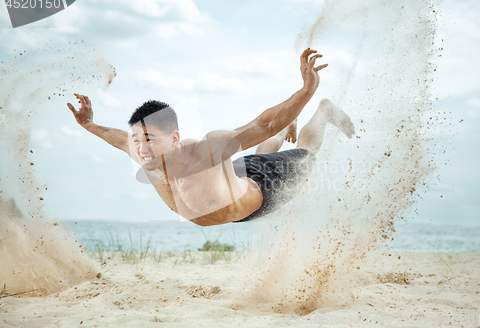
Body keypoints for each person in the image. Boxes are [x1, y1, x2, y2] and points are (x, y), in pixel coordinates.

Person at [67, 48, 355, 226]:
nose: (141, 149)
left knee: (306, 155)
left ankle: (323, 112)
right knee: (258, 154)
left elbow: (263, 123)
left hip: (262, 188)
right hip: (237, 177)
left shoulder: (208, 150)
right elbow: (118, 139)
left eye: (149, 139)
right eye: (138, 140)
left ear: (174, 138)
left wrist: (306, 91)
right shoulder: (147, 156)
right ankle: (286, 128)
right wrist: (89, 124)